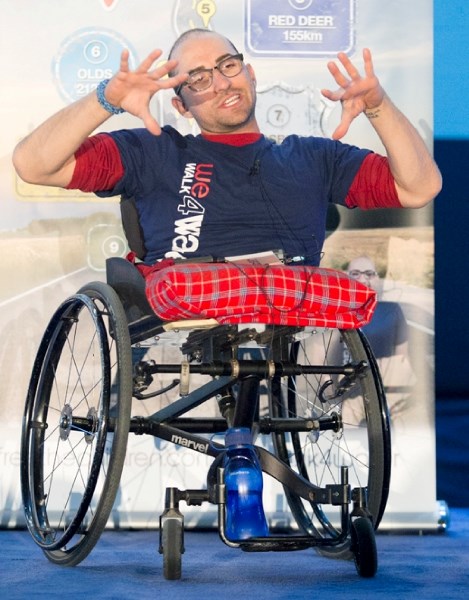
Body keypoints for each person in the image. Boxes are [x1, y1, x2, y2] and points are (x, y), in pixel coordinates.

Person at [12, 28, 442, 267]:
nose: (220, 82)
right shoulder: (151, 151)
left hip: (289, 306)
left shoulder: (315, 156)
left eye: (227, 65)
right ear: (180, 104)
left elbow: (419, 189)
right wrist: (105, 99)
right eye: (198, 78)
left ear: (250, 73)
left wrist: (379, 107)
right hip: (186, 306)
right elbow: (34, 165)